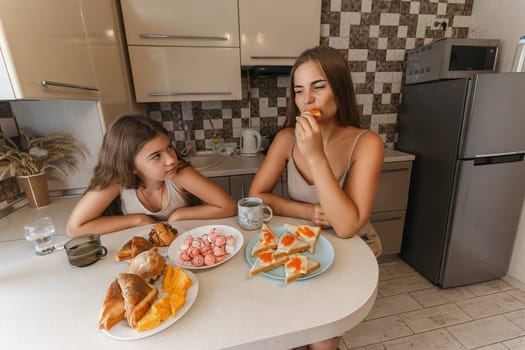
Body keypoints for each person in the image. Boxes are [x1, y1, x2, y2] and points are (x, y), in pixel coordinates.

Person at [249, 46, 384, 349]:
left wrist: (315, 155)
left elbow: (347, 226)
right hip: (304, 246)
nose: (306, 100)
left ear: (340, 87)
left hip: (353, 252)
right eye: (299, 91)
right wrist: (308, 212)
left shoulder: (367, 144)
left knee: (321, 339)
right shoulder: (286, 139)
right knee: (289, 332)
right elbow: (257, 194)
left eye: (318, 87)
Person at [67, 115, 236, 237]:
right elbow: (75, 228)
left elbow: (229, 206)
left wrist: (178, 216)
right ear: (131, 166)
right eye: (156, 156)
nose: (171, 160)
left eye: (169, 147)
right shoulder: (117, 182)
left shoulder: (179, 174)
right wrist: (140, 220)